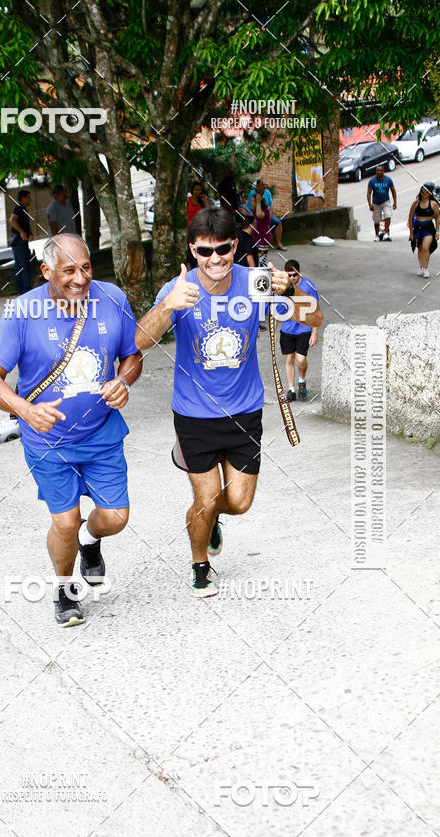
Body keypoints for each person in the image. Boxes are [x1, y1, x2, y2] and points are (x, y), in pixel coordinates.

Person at [134, 208, 323, 597]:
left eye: (223, 248)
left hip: (244, 411)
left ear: (235, 246)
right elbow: (138, 342)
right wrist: (168, 305)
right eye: (205, 251)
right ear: (193, 250)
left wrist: (289, 289)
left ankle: (212, 519)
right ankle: (199, 564)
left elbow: (314, 316)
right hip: (194, 414)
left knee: (237, 501)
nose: (215, 258)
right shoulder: (179, 288)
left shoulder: (254, 282)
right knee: (204, 499)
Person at [0, 234, 142, 627]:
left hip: (102, 433)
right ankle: (65, 590)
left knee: (116, 517)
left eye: (86, 267)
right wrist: (24, 410)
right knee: (65, 521)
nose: (80, 278)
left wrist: (124, 381)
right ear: (46, 271)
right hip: (49, 441)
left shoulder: (112, 298)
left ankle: (91, 541)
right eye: (69, 270)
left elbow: (132, 356)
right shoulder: (22, 311)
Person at [279, 260, 320, 401]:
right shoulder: (281, 287)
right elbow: (277, 309)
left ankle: (302, 381)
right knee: (289, 358)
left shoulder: (308, 286)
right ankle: (291, 389)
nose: (292, 278)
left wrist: (315, 331)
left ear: (299, 273)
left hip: (304, 328)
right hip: (287, 329)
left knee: (301, 359)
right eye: (289, 275)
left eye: (294, 275)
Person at [408, 185, 440, 278]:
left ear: (429, 193)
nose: (424, 193)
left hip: (428, 227)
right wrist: (411, 232)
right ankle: (421, 266)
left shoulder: (433, 204)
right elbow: (410, 218)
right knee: (420, 248)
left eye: (426, 192)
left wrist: (437, 231)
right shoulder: (416, 204)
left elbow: (437, 217)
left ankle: (426, 268)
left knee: (426, 247)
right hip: (418, 227)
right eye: (422, 191)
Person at [246, 177, 286, 250]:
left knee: (278, 223)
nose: (264, 187)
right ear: (258, 186)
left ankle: (278, 243)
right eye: (262, 185)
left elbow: (271, 206)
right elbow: (250, 208)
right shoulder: (252, 194)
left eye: (265, 185)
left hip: (267, 214)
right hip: (256, 216)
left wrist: (269, 217)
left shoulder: (267, 192)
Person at [9, 189, 33, 294]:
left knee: (19, 266)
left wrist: (29, 233)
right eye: (28, 197)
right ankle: (26, 289)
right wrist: (22, 232)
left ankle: (21, 289)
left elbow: (25, 223)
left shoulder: (23, 209)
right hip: (19, 241)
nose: (30, 199)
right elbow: (12, 220)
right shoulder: (18, 208)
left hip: (21, 241)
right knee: (25, 265)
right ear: (22, 198)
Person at [366, 164, 397, 241]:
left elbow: (393, 190)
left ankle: (386, 233)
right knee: (376, 220)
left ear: (383, 171)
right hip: (376, 203)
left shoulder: (388, 180)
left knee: (388, 215)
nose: (379, 172)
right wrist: (370, 204)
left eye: (380, 170)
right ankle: (376, 235)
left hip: (385, 201)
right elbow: (369, 193)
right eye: (377, 170)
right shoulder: (372, 181)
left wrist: (395, 202)